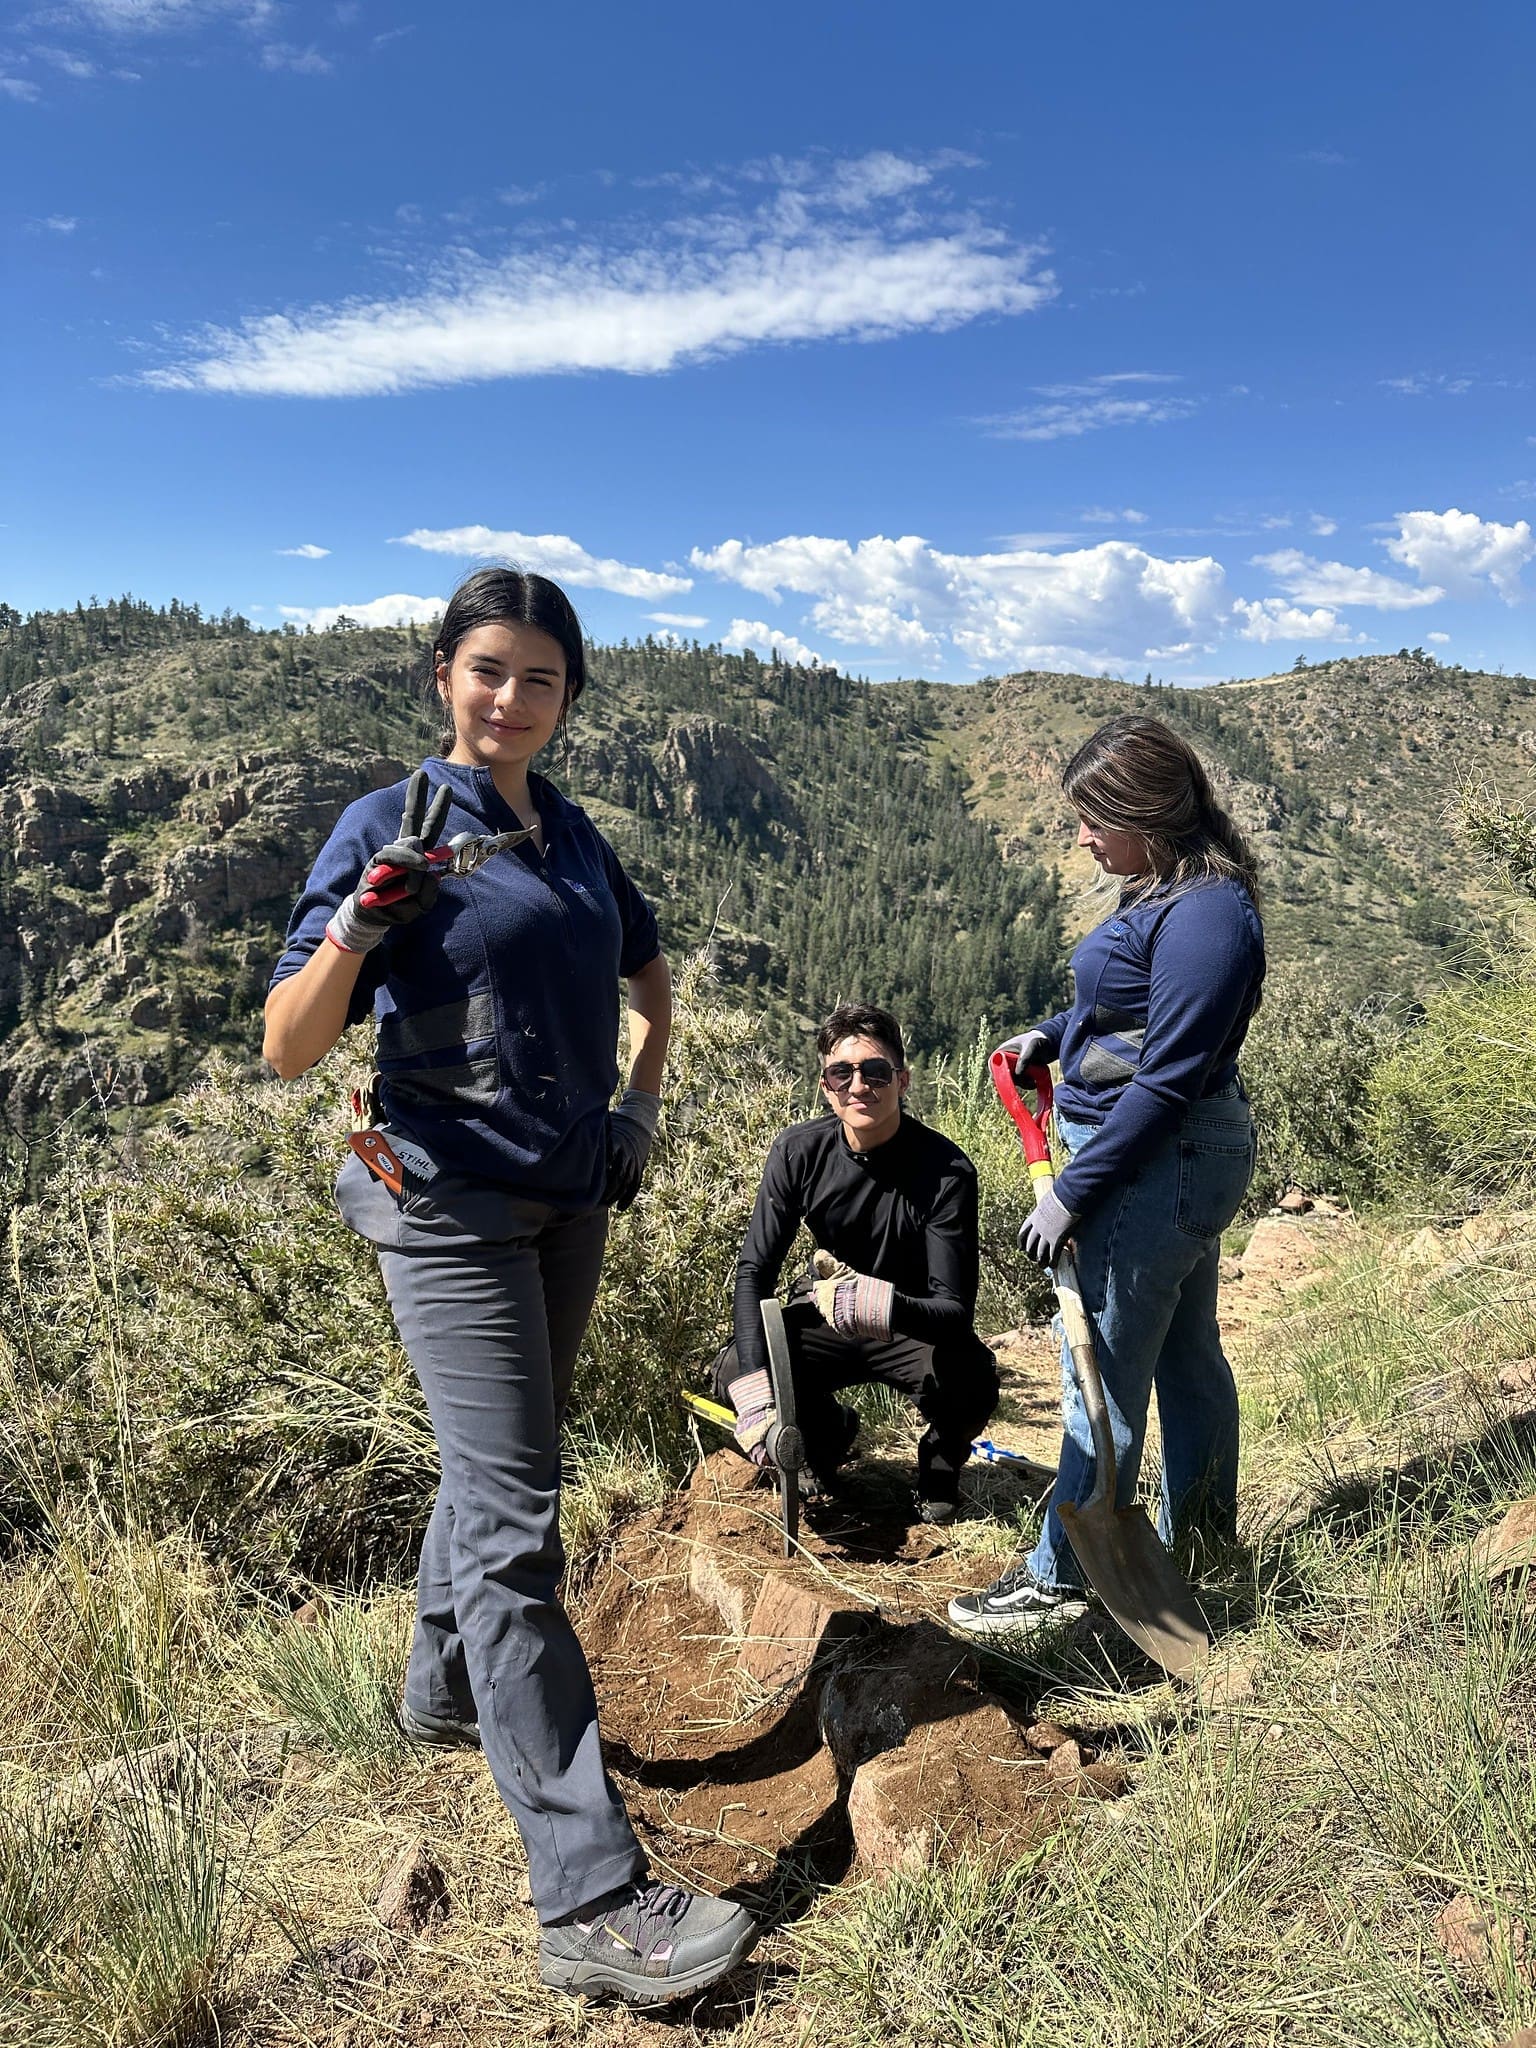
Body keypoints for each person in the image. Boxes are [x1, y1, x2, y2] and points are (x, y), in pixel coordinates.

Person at [263, 566, 757, 2008]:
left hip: (568, 1194)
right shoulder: (389, 827)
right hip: (447, 1202)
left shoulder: (579, 837)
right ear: (442, 676)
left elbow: (652, 980)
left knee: (501, 1468)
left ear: (567, 697)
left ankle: (436, 1696)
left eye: (540, 678)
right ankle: (588, 1900)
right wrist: (362, 922)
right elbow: (290, 1046)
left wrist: (643, 1105)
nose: (510, 699)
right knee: (514, 1520)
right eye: (488, 670)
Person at [948, 714, 1265, 1635]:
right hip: (1159, 1156)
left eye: (1093, 817)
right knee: (1184, 1355)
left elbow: (1168, 1078)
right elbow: (1128, 1011)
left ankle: (1057, 1581)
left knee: (1103, 1368)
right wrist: (1053, 1033)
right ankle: (1201, 1538)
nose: (1081, 836)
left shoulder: (1206, 912)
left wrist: (1072, 1193)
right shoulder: (1166, 889)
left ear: (1146, 810)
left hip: (1154, 1161)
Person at [715, 1002, 1000, 1524]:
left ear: (902, 1079)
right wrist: (757, 1388)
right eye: (841, 1072)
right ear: (825, 1085)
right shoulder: (799, 1152)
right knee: (735, 1368)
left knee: (972, 1377)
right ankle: (825, 1433)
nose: (859, 1086)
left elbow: (954, 1310)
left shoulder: (947, 1171)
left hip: (909, 1322)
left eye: (875, 1071)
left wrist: (878, 1302)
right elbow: (755, 1270)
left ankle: (939, 1462)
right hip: (828, 1312)